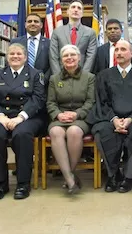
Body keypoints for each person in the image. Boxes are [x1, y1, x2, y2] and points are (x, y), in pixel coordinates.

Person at [86, 40, 132, 193]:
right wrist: (114, 120)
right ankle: (113, 174)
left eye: (123, 49)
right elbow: (101, 101)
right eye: (116, 50)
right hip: (110, 118)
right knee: (101, 131)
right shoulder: (104, 75)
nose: (119, 53)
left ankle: (128, 177)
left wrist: (131, 119)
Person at [0, 43, 46, 201]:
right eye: (12, 54)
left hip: (28, 116)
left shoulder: (35, 74)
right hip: (2, 116)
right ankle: (0, 183)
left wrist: (21, 117)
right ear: (7, 57)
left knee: (22, 134)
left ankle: (23, 183)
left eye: (19, 54)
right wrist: (0, 117)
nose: (15, 56)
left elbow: (38, 99)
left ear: (25, 57)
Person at [47, 45, 95, 194]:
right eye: (66, 56)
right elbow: (50, 102)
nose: (69, 58)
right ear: (61, 60)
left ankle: (69, 175)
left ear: (79, 58)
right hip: (59, 117)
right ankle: (70, 179)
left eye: (73, 55)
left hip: (81, 118)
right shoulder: (54, 79)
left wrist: (77, 114)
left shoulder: (90, 77)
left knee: (74, 132)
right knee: (55, 132)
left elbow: (91, 101)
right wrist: (58, 114)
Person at [49, 0, 97, 75]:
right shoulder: (57, 32)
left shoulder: (90, 32)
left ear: (82, 13)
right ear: (67, 11)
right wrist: (58, 76)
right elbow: (53, 56)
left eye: (79, 8)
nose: (76, 10)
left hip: (82, 74)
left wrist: (83, 76)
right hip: (62, 74)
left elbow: (90, 57)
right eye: (73, 7)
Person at [11, 13, 51, 84]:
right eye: (29, 21)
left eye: (36, 21)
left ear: (41, 25)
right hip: (19, 84)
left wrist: (43, 80)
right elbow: (10, 62)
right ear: (25, 25)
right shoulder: (15, 42)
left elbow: (51, 64)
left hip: (42, 85)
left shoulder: (49, 43)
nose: (32, 24)